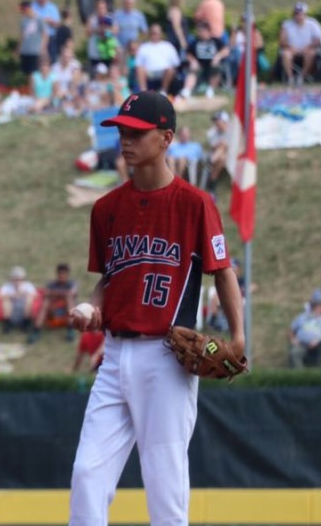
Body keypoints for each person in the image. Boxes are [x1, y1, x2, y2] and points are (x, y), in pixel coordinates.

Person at [68, 90, 244, 526]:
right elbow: (108, 280)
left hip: (167, 357)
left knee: (165, 486)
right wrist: (91, 309)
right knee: (87, 473)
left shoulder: (195, 204)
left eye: (137, 133)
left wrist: (239, 337)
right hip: (114, 356)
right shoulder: (106, 208)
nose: (125, 141)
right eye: (121, 132)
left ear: (166, 138)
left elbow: (222, 273)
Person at [279, 2, 321, 86]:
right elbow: (282, 41)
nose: (298, 16)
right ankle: (290, 78)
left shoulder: (313, 24)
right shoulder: (286, 25)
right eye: (296, 13)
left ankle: (302, 77)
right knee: (285, 54)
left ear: (305, 14)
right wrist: (289, 46)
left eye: (300, 14)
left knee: (311, 53)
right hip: (292, 50)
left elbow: (319, 40)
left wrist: (309, 46)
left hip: (307, 49)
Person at [182, 22, 228, 98]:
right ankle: (186, 91)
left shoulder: (216, 41)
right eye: (198, 31)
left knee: (217, 68)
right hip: (199, 67)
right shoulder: (195, 42)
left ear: (207, 31)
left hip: (212, 65)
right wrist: (193, 61)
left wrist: (218, 56)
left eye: (201, 31)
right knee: (192, 71)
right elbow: (188, 53)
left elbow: (226, 51)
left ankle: (210, 90)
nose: (199, 33)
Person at [288, 301, 321, 368]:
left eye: (319, 308)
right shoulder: (302, 317)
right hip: (302, 344)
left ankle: (317, 368)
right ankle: (299, 374)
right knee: (294, 352)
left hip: (318, 345)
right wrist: (293, 339)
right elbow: (291, 331)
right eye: (314, 308)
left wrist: (318, 341)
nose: (316, 310)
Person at [134, 24, 180, 94]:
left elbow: (176, 63)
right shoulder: (144, 47)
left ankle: (163, 91)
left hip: (164, 72)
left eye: (157, 33)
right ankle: (143, 92)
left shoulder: (168, 46)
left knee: (170, 70)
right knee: (140, 69)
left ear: (161, 34)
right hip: (149, 72)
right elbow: (138, 64)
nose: (155, 35)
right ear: (150, 34)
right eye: (153, 33)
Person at [38, 263, 79, 339]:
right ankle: (36, 329)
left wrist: (54, 293)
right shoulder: (52, 284)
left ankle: (70, 328)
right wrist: (63, 293)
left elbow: (72, 293)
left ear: (67, 274)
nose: (62, 276)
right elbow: (46, 293)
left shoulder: (72, 283)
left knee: (68, 298)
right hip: (53, 312)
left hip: (67, 313)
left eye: (64, 273)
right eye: (60, 273)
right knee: (46, 301)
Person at [0, 265, 38, 337]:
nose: (17, 281)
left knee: (29, 299)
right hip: (11, 311)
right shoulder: (7, 286)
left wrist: (24, 294)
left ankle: (26, 323)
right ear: (12, 279)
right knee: (5, 301)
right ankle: (7, 323)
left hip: (24, 311)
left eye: (19, 279)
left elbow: (35, 295)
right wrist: (12, 295)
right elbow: (0, 296)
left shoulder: (28, 285)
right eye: (15, 279)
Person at [18, 0, 48, 77]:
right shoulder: (24, 20)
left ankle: (33, 89)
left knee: (34, 73)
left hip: (35, 51)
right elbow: (22, 36)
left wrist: (42, 48)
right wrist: (19, 48)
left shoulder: (39, 19)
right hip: (25, 50)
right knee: (27, 73)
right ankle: (29, 88)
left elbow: (45, 34)